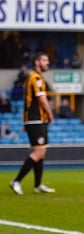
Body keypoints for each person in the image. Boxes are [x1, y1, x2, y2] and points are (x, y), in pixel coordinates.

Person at [9, 52, 56, 195]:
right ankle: (16, 181)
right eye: (44, 60)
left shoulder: (37, 77)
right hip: (35, 118)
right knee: (39, 151)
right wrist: (50, 113)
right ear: (37, 62)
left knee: (42, 151)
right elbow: (41, 99)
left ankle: (38, 185)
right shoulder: (35, 78)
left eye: (47, 60)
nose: (47, 62)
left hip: (36, 119)